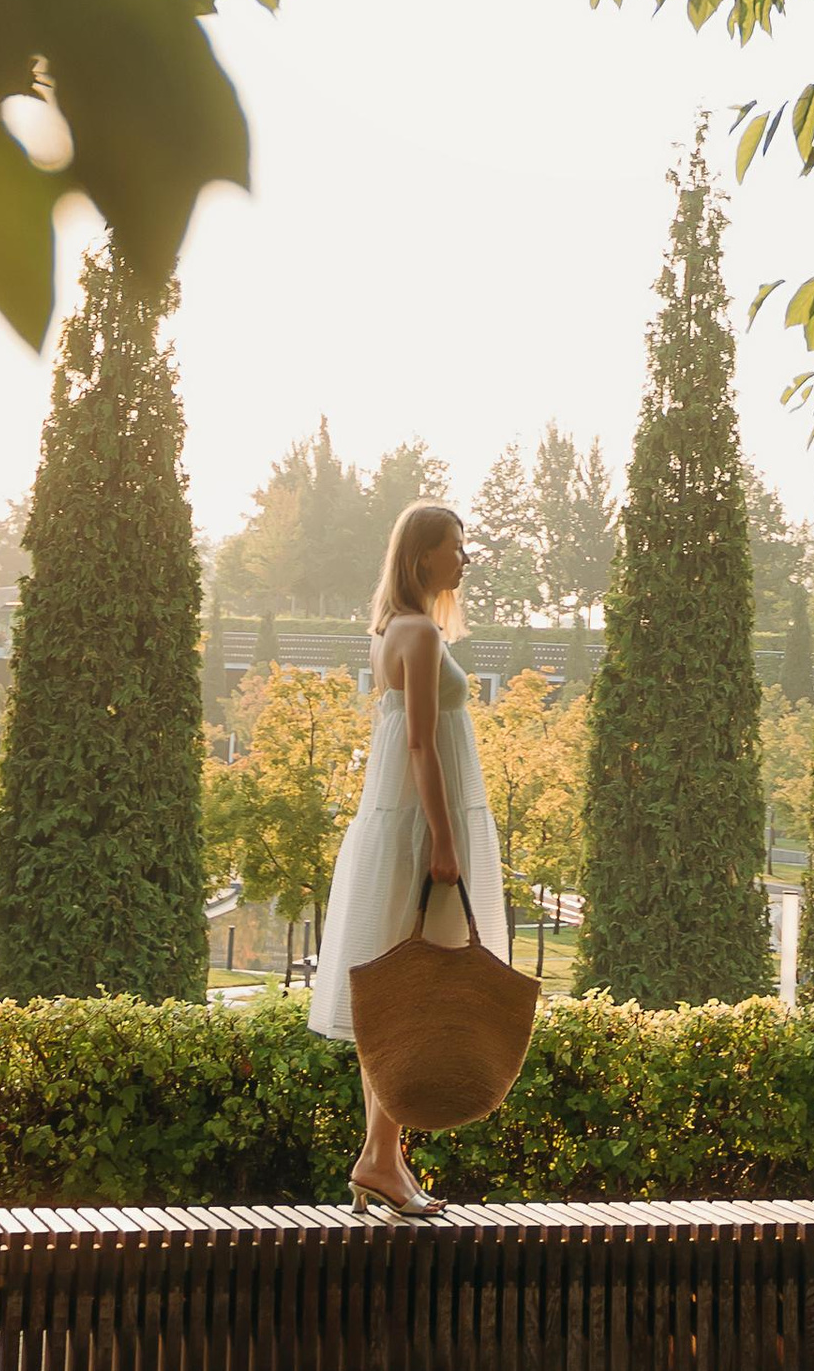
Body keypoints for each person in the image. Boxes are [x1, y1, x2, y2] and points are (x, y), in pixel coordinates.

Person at [307, 498, 511, 1218]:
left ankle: (381, 1161)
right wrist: (445, 842)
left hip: (400, 826)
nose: (465, 558)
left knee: (395, 996)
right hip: (421, 831)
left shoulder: (397, 628)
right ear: (423, 554)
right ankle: (377, 1158)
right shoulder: (418, 633)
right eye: (456, 545)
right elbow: (422, 743)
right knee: (411, 996)